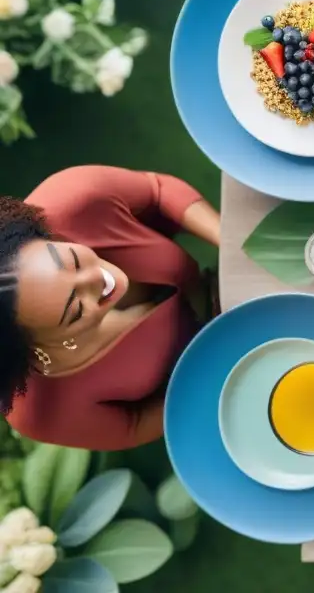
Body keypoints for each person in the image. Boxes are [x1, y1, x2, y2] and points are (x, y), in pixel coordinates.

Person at [0, 165, 220, 451]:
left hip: (222, 284)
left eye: (71, 261)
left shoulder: (72, 199)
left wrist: (229, 242)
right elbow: (134, 425)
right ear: (38, 349)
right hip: (216, 374)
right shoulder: (42, 414)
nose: (98, 279)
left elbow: (158, 190)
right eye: (76, 309)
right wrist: (214, 378)